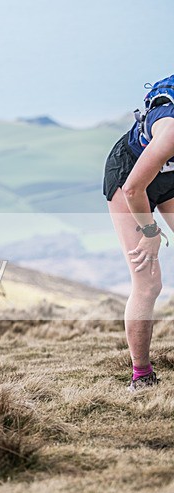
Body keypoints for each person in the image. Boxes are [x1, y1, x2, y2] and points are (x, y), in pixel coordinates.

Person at [104, 74, 174, 392]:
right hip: (130, 175)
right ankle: (141, 375)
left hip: (168, 176)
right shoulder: (170, 133)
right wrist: (150, 231)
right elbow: (134, 189)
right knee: (148, 282)